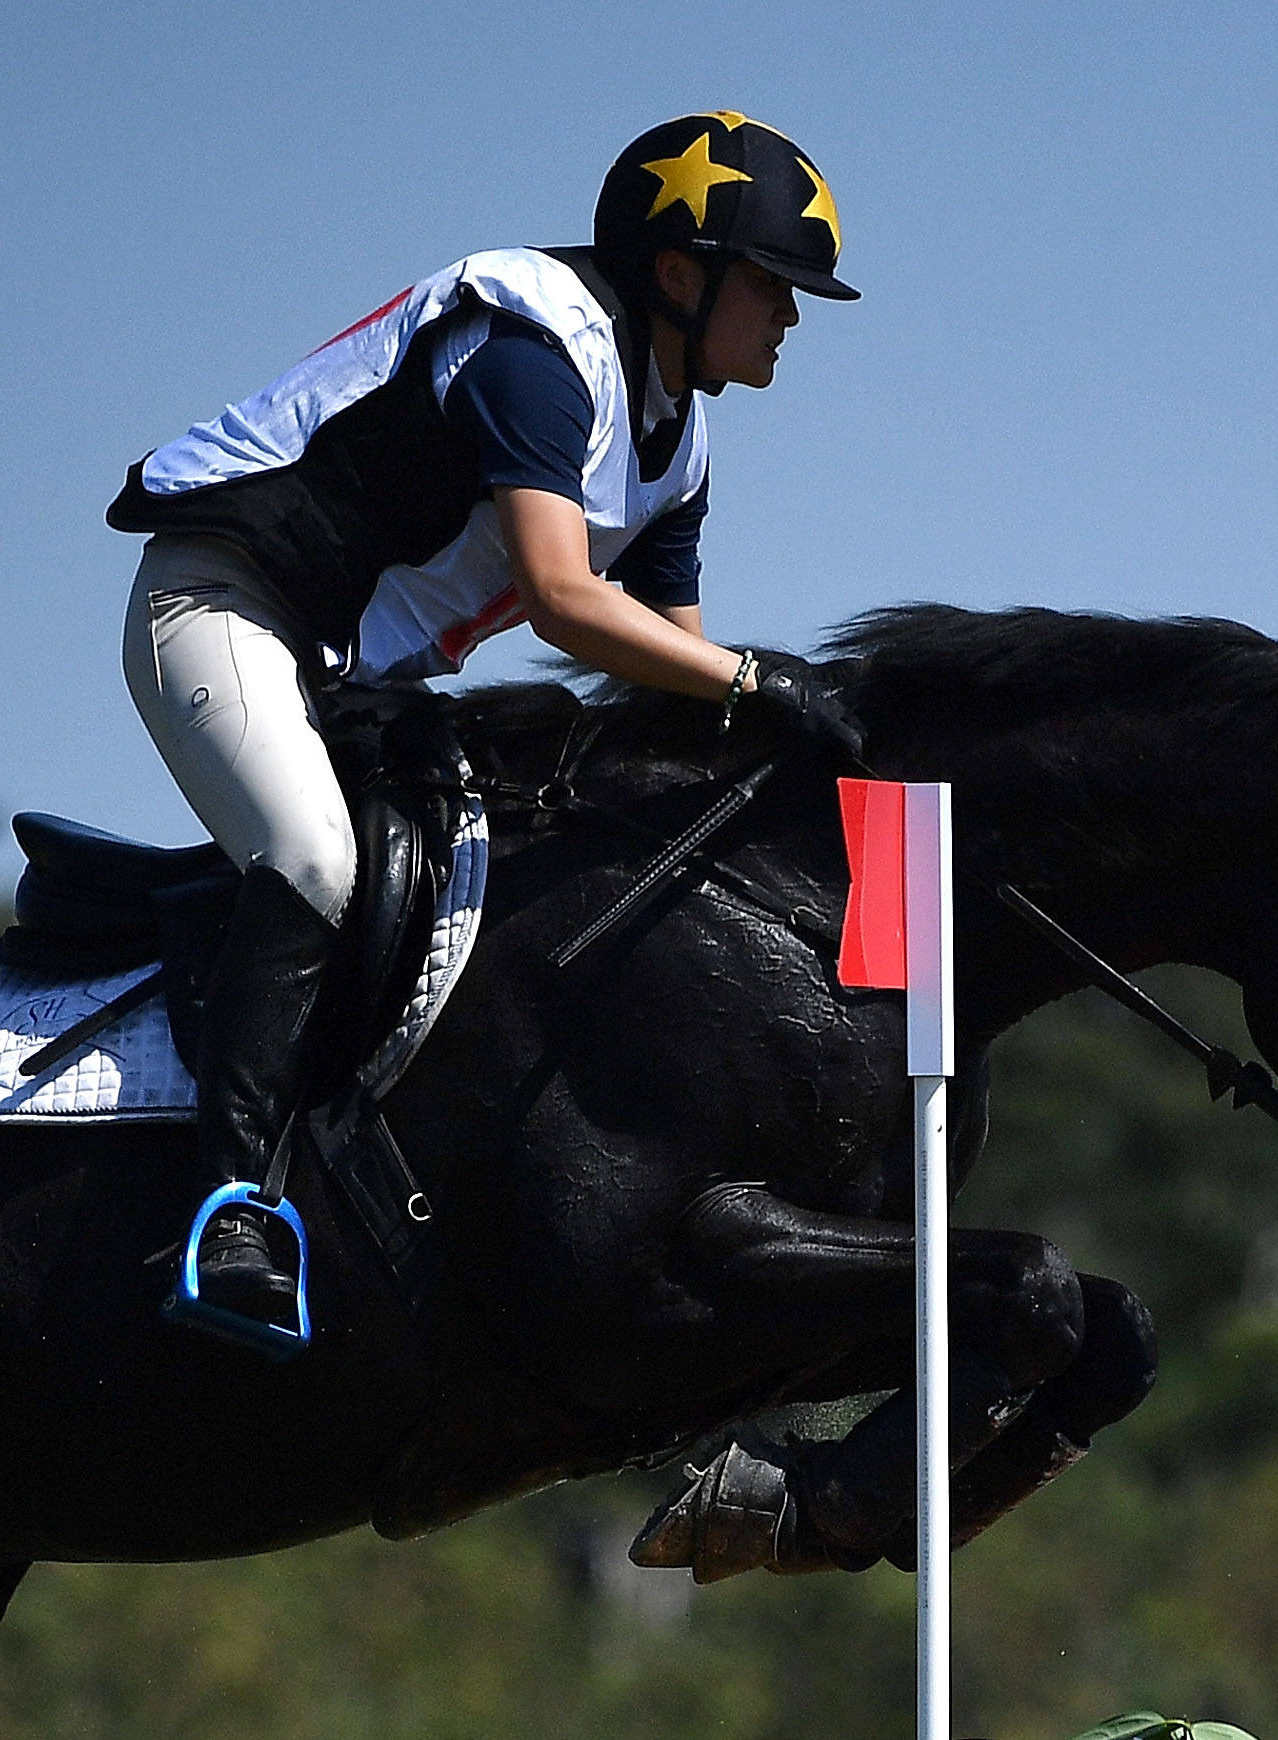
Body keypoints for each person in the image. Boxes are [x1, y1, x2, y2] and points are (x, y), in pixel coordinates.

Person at [110, 113, 869, 1349]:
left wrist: (797, 746)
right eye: (775, 287)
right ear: (679, 273)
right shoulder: (539, 347)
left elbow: (675, 662)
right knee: (312, 858)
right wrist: (756, 681)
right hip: (225, 601)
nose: (791, 318)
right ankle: (232, 1207)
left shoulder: (676, 443)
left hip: (352, 675)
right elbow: (570, 604)